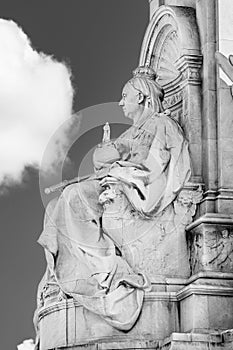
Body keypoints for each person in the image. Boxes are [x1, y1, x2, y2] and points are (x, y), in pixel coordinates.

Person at [36, 66, 191, 335]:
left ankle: (106, 270)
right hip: (116, 182)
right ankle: (80, 272)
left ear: (141, 97)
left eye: (125, 95)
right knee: (54, 207)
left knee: (73, 196)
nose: (120, 102)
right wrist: (108, 153)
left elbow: (161, 166)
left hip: (131, 187)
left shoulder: (162, 124)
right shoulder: (132, 132)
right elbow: (104, 161)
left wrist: (121, 169)